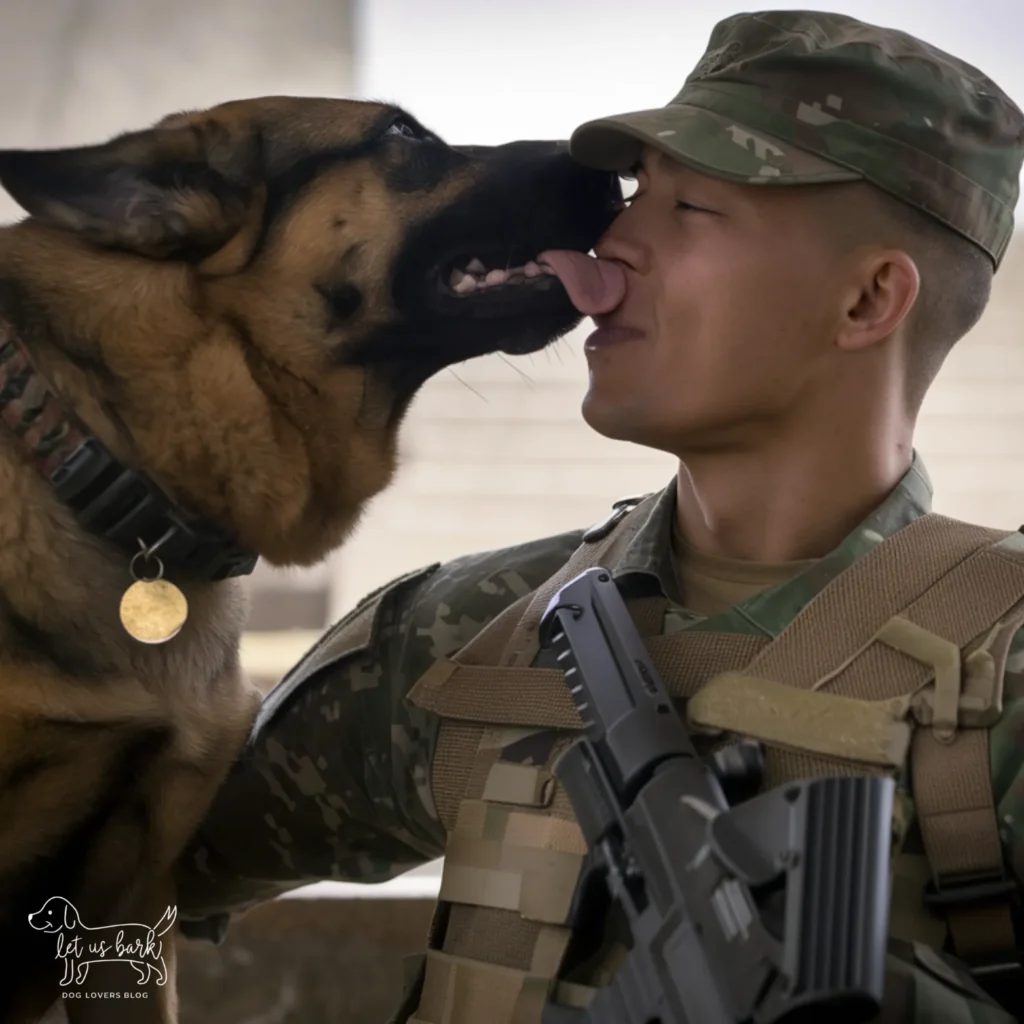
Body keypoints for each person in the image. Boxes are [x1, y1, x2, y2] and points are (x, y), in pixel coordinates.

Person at [175, 10, 1024, 1023]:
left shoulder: (1000, 676)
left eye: (693, 207)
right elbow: (100, 878)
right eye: (634, 196)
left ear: (868, 299)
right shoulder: (474, 633)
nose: (611, 240)